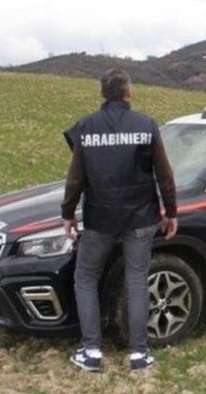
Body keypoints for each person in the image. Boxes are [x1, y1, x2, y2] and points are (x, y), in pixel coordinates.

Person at [61, 69, 178, 372]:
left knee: (85, 278)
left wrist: (68, 213)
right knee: (137, 279)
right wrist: (172, 212)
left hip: (100, 217)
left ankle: (91, 352)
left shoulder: (86, 127)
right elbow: (165, 176)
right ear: (129, 92)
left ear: (102, 93)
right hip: (141, 217)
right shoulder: (147, 125)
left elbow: (75, 179)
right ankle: (139, 355)